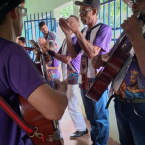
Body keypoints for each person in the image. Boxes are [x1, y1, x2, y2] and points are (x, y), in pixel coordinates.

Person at [0, 1, 68, 145]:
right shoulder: (11, 52)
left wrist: (38, 62)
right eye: (22, 11)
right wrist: (62, 89)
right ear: (14, 12)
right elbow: (54, 110)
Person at [58, 0, 112, 144]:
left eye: (84, 11)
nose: (80, 15)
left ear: (94, 11)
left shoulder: (104, 29)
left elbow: (93, 53)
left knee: (100, 118)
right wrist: (69, 34)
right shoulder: (83, 31)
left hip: (98, 79)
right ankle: (95, 142)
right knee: (91, 117)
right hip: (84, 79)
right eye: (80, 11)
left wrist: (76, 32)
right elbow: (73, 54)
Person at [92, 0, 145, 144]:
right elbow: (113, 57)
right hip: (121, 102)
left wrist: (138, 39)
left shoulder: (135, 31)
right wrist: (101, 61)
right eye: (132, 1)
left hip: (141, 105)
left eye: (139, 1)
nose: (133, 5)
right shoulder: (130, 29)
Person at [40, 15, 88, 138]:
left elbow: (67, 59)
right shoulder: (67, 40)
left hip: (74, 75)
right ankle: (60, 129)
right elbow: (58, 54)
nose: (68, 25)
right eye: (67, 22)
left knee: (71, 103)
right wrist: (46, 52)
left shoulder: (76, 40)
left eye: (71, 22)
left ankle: (81, 128)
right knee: (64, 102)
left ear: (76, 23)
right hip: (69, 75)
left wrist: (51, 52)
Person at [39, 22, 60, 88]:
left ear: (47, 26)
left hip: (53, 55)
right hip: (48, 57)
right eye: (43, 29)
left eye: (45, 27)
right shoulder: (43, 37)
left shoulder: (52, 35)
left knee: (54, 85)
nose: (45, 30)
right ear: (40, 30)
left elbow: (51, 46)